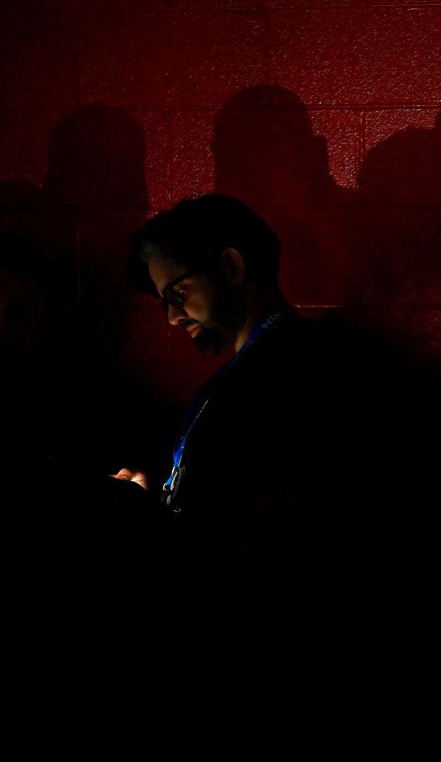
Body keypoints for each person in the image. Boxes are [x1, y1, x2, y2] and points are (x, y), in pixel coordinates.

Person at [113, 193, 406, 565]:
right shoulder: (251, 368)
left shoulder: (306, 369)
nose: (172, 317)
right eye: (165, 301)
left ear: (231, 267)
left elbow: (297, 512)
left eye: (179, 293)